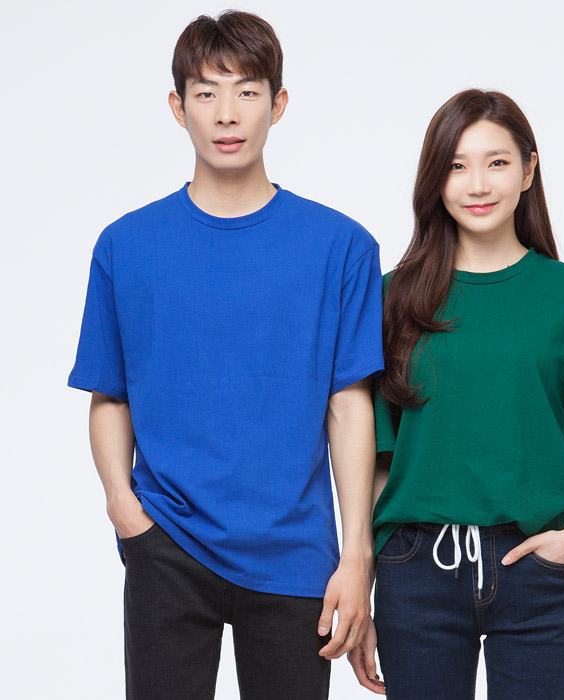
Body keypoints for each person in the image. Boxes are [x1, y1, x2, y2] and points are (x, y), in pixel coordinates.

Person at [67, 10, 383, 700]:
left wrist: (357, 554)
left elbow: (349, 405)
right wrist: (124, 509)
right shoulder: (126, 246)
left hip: (295, 552)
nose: (227, 114)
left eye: (246, 91)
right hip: (167, 541)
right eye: (206, 93)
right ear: (178, 107)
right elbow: (109, 394)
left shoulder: (341, 247)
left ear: (279, 103)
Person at [348, 89, 564, 699]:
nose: (477, 184)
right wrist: (366, 582)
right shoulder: (391, 298)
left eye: (497, 162)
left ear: (529, 170)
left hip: (539, 570)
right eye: (457, 165)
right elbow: (377, 459)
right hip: (415, 570)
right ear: (435, 179)